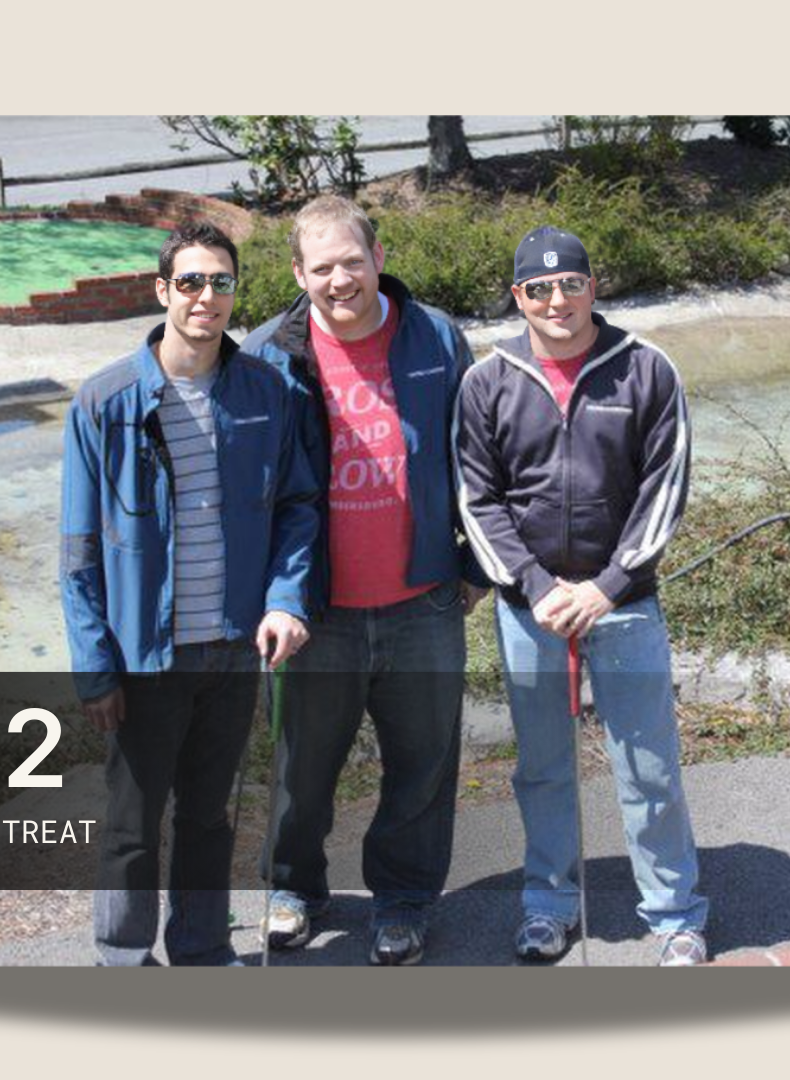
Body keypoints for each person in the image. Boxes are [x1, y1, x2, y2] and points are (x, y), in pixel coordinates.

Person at [60, 221, 318, 966]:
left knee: (210, 817)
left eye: (222, 282)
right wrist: (95, 669)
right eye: (192, 282)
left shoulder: (267, 392)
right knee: (133, 821)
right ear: (162, 291)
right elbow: (77, 553)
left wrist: (286, 599)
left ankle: (203, 950)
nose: (207, 297)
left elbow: (298, 506)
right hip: (145, 657)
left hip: (233, 647)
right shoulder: (104, 402)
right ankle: (123, 960)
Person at [454, 226, 710, 966]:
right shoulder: (487, 381)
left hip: (624, 605)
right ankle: (548, 904)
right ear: (519, 297)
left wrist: (606, 587)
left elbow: (664, 490)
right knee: (542, 766)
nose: (557, 300)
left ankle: (674, 915)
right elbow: (478, 499)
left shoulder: (646, 371)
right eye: (539, 288)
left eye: (571, 283)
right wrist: (534, 587)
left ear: (594, 285)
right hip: (529, 611)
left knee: (649, 766)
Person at [242, 195, 486, 965]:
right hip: (318, 613)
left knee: (422, 768)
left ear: (379, 258)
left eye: (352, 261)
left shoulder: (438, 337)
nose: (339, 279)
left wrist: (476, 565)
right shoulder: (267, 356)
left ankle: (404, 901)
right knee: (300, 772)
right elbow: (252, 489)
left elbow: (482, 458)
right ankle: (293, 888)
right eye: (322, 267)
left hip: (423, 603)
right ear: (297, 274)